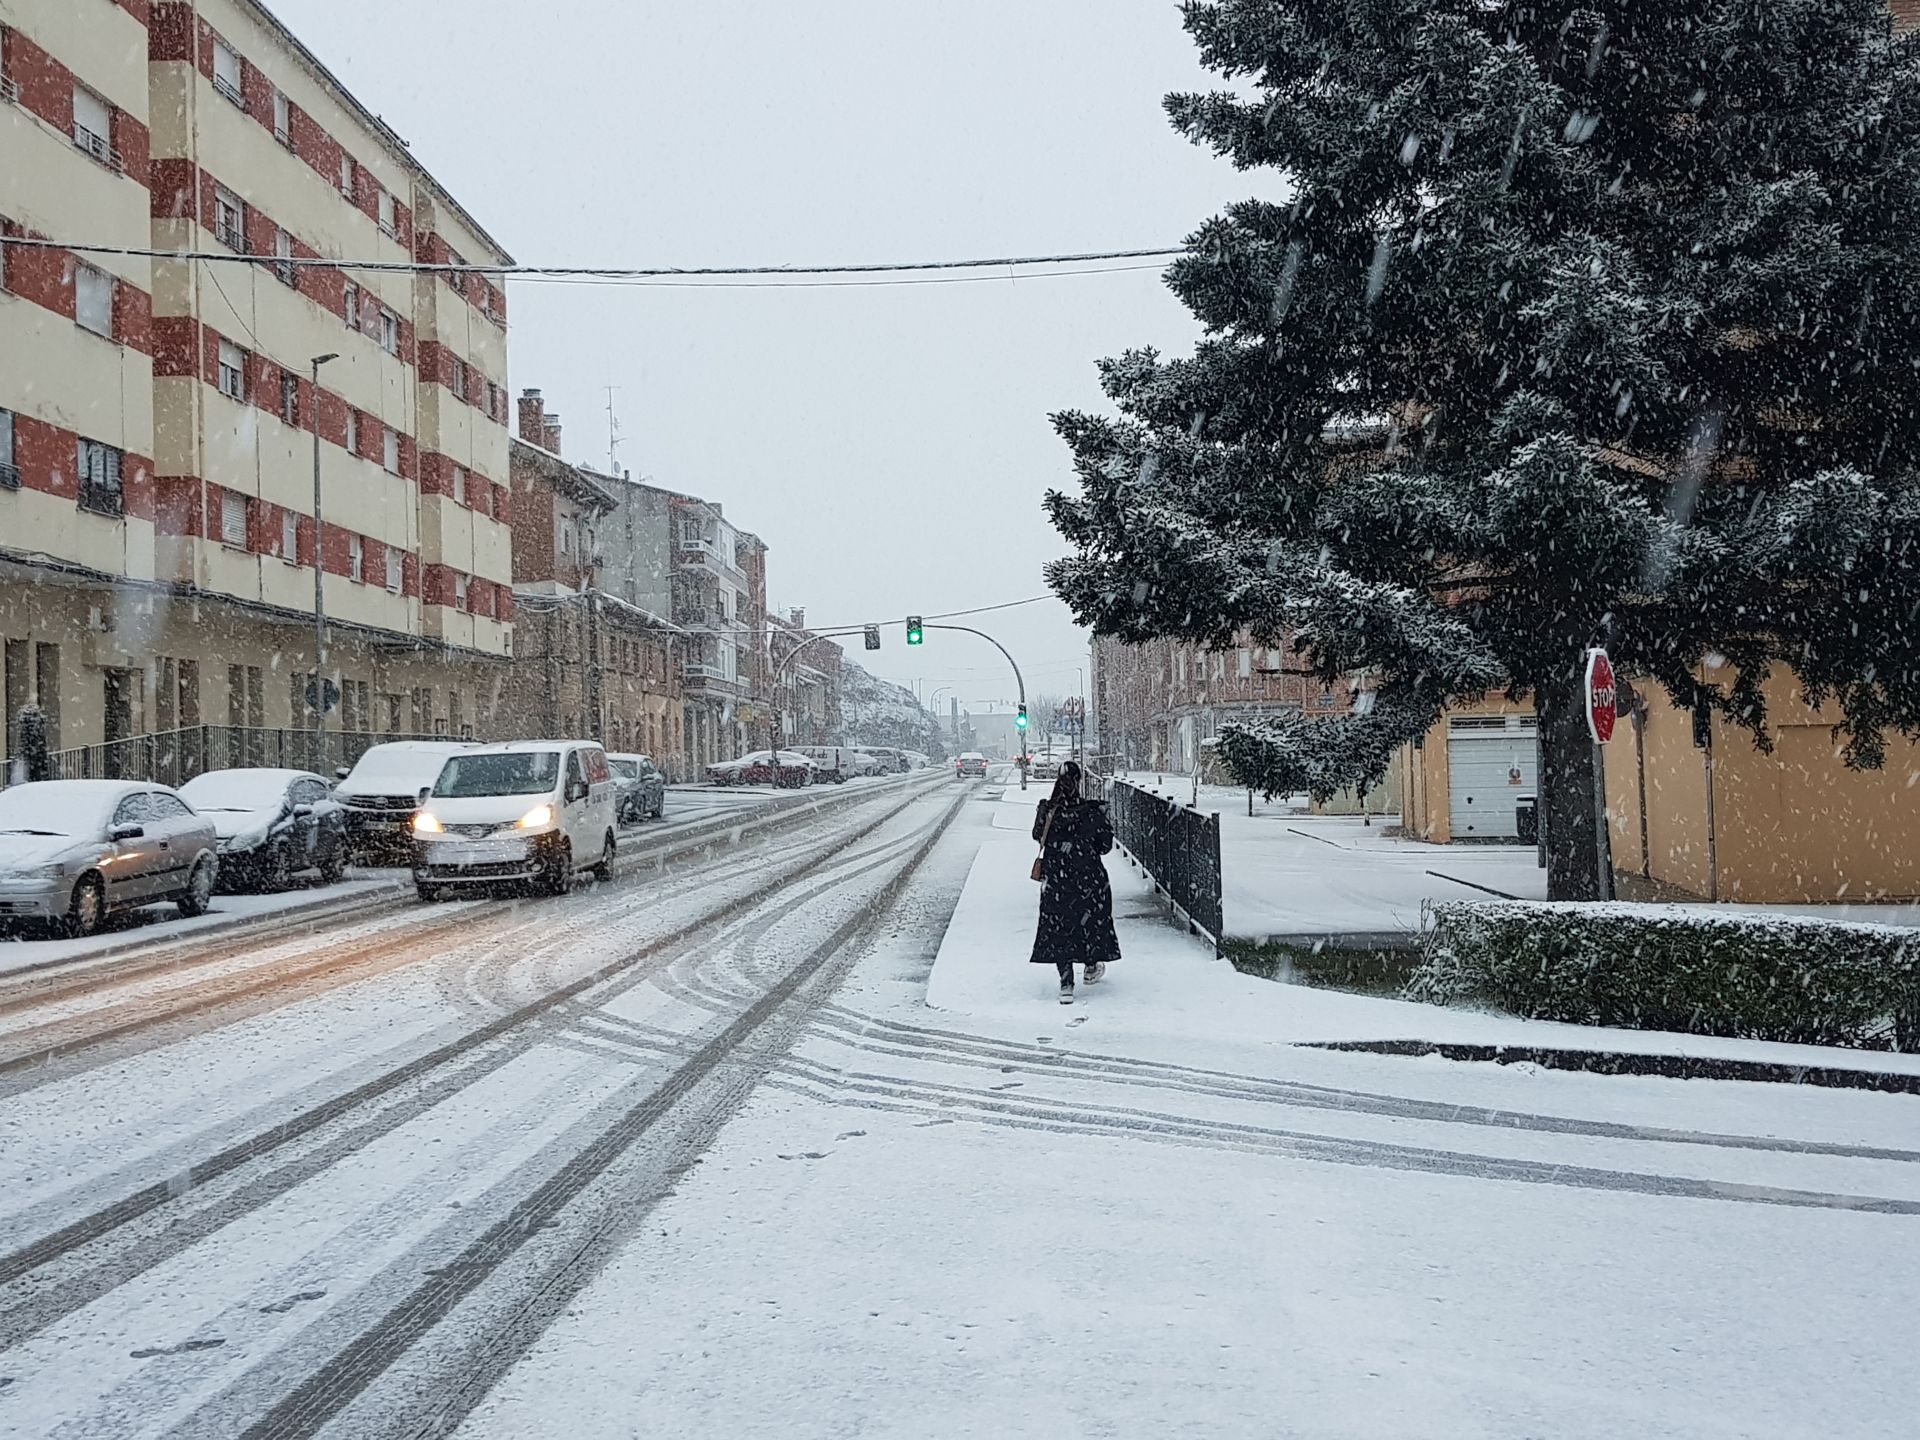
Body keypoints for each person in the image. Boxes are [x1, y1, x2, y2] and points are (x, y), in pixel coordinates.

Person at [1028, 761, 1121, 1003]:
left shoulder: (1048, 811)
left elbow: (1038, 835)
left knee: (1060, 926)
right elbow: (1104, 846)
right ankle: (1091, 964)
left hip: (1057, 879)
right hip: (1088, 878)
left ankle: (1066, 981)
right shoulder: (1091, 812)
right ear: (1079, 782)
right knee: (1088, 922)